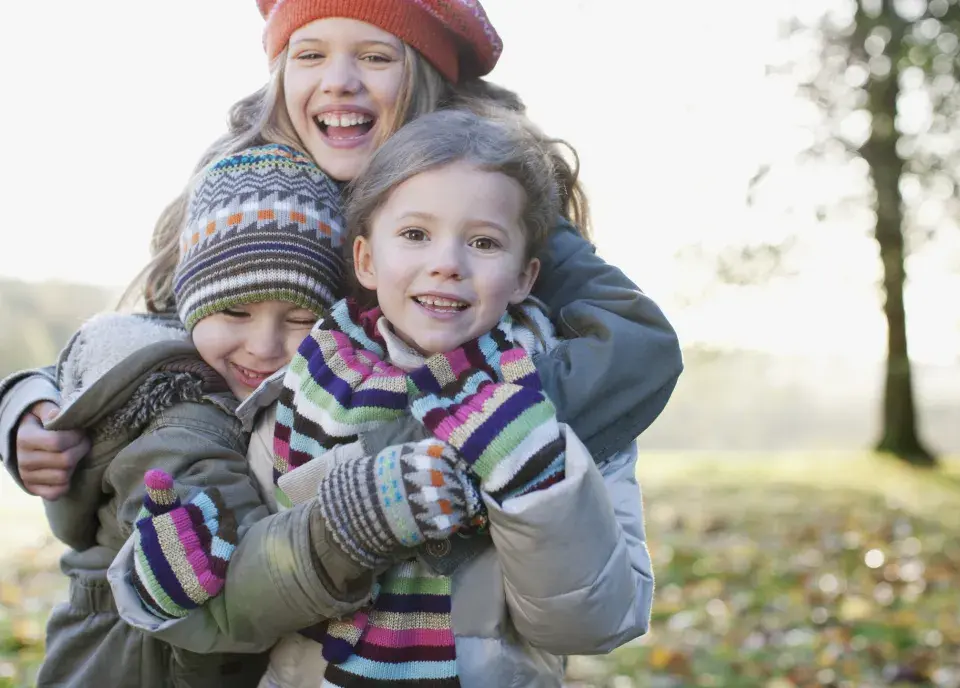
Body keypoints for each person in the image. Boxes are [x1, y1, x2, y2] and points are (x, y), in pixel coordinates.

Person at [1, 0, 682, 505]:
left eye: (377, 56)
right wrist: (34, 406)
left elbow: (637, 343)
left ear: (428, 81)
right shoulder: (252, 192)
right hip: (270, 541)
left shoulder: (483, 203)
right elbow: (153, 334)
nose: (339, 81)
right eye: (311, 53)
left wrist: (466, 433)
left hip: (441, 565)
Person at [116, 107, 653, 688]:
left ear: (525, 277)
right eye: (416, 234)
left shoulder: (562, 403)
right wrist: (167, 589)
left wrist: (536, 481)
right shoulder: (297, 392)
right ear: (367, 259)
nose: (447, 263)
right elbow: (248, 612)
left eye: (484, 241)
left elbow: (596, 624)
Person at [33, 144, 348, 688]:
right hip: (128, 667)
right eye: (235, 311)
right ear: (190, 302)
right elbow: (230, 594)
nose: (264, 345)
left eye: (299, 318)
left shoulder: (263, 396)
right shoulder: (183, 421)